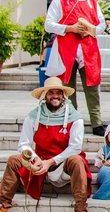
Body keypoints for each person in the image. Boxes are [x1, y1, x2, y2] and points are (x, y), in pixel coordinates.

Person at [0, 77, 91, 212]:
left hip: (63, 163)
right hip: (39, 161)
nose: (55, 96)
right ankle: (4, 203)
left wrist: (51, 162)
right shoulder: (33, 116)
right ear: (45, 96)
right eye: (51, 93)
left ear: (63, 95)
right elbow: (23, 144)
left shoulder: (75, 118)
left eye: (58, 93)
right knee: (14, 160)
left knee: (77, 160)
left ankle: (81, 207)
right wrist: (34, 158)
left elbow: (75, 147)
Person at [45, 0, 106, 136]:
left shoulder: (92, 1)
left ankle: (96, 123)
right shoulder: (60, 0)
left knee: (92, 87)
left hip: (88, 50)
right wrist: (70, 28)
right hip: (67, 50)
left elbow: (102, 24)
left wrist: (92, 30)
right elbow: (48, 24)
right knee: (67, 89)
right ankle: (70, 121)